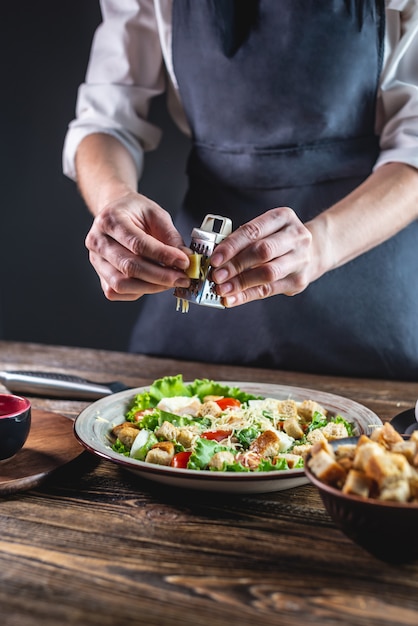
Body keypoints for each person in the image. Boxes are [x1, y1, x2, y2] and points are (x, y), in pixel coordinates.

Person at [63, 0, 418, 380]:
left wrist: (323, 243)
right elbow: (106, 119)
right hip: (197, 312)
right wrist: (114, 201)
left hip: (362, 283)